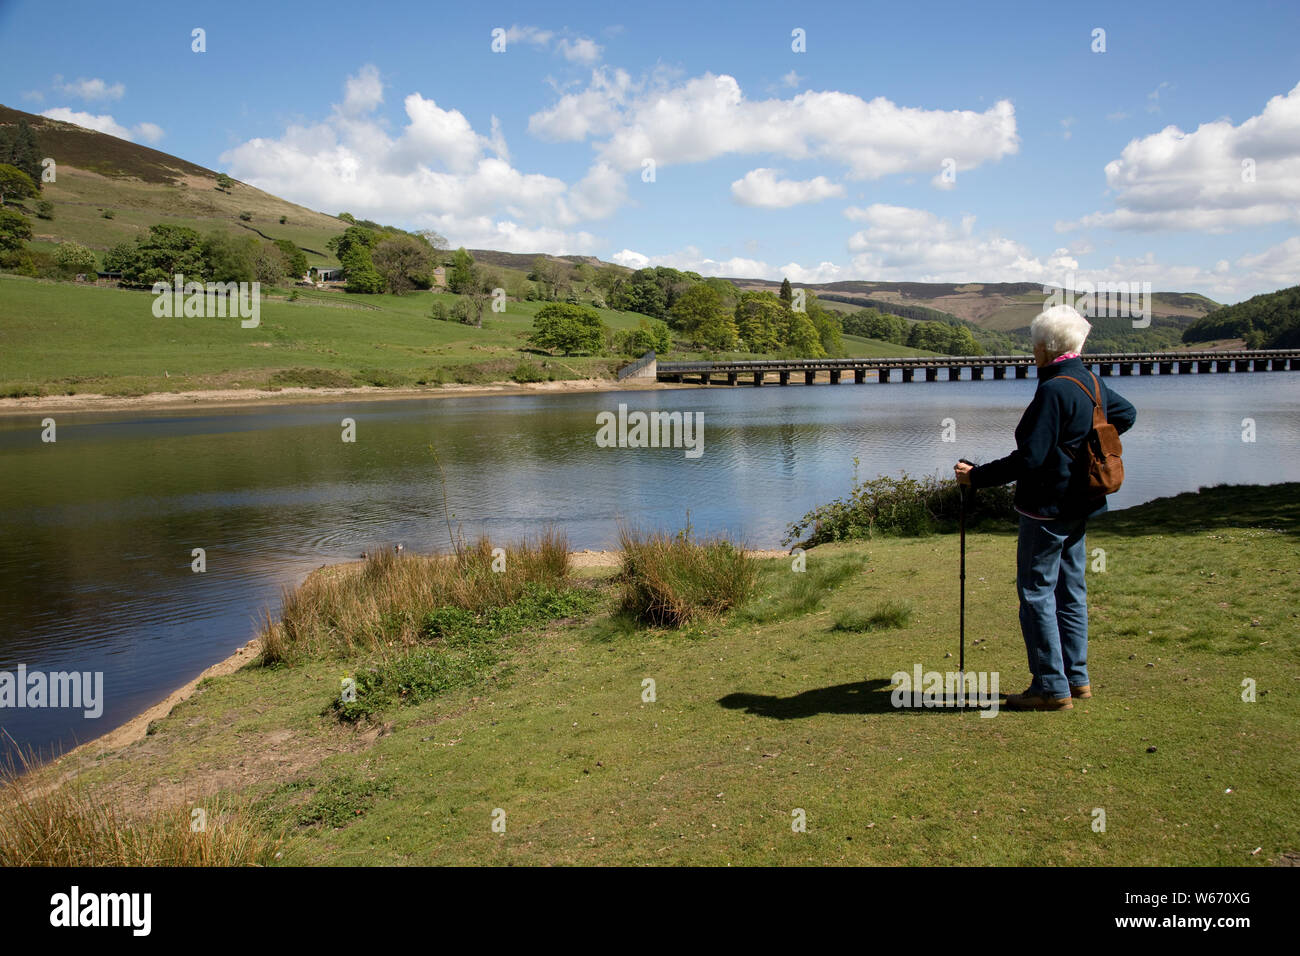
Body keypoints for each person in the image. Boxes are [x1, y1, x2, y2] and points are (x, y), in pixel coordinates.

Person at [954, 305, 1136, 711]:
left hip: (1047, 509)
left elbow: (1030, 458)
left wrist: (976, 476)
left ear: (1046, 347)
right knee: (1070, 593)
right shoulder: (1088, 380)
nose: (1031, 350)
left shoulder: (1054, 389)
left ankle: (1051, 687)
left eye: (1034, 344)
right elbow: (1124, 414)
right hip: (1080, 504)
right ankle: (1077, 678)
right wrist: (1079, 448)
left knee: (1036, 594)